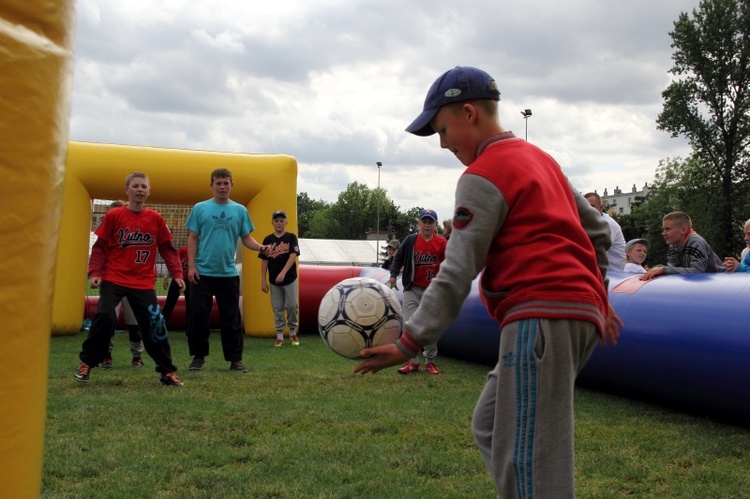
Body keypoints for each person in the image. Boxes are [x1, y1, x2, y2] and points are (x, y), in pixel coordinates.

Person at [353, 66, 622, 497]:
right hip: (569, 316)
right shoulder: (541, 159)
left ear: (468, 112)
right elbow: (599, 233)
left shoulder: (483, 174)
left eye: (442, 130)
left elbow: (457, 270)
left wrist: (410, 341)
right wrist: (598, 298)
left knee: (532, 457)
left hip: (541, 318)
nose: (443, 144)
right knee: (491, 426)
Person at [74, 172, 186, 387]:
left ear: (149, 191)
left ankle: (167, 371)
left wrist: (178, 274)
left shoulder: (155, 219)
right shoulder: (115, 216)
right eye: (135, 186)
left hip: (143, 282)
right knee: (105, 316)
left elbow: (168, 250)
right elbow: (99, 248)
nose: (140, 190)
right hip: (114, 278)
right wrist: (95, 272)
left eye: (144, 186)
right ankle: (87, 363)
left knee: (155, 325)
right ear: (127, 190)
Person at [185, 168, 269, 372]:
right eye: (218, 183)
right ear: (212, 185)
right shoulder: (200, 208)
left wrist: (260, 247)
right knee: (198, 317)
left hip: (228, 275)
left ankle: (235, 360)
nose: (222, 187)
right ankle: (198, 357)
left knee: (231, 318)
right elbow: (193, 238)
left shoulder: (240, 211)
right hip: (202, 274)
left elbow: (246, 237)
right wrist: (191, 267)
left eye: (226, 183)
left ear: (232, 185)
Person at [388, 209, 447, 375]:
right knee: (408, 324)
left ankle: (430, 361)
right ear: (419, 223)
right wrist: (393, 276)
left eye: (430, 222)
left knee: (430, 327)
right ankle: (413, 361)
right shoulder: (411, 240)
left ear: (436, 224)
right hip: (412, 288)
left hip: (433, 291)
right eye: (424, 221)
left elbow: (449, 265)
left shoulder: (442, 243)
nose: (427, 225)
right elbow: (398, 258)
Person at [99, 201, 145, 369]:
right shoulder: (105, 236)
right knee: (108, 318)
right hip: (112, 282)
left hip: (133, 283)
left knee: (134, 321)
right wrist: (96, 273)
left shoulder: (133, 233)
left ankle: (137, 355)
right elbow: (98, 253)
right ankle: (106, 354)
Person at [259, 210, 301, 347]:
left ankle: (293, 332)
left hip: (289, 277)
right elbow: (264, 261)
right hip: (273, 279)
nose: (279, 223)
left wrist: (283, 273)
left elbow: (293, 255)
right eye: (276, 220)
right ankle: (279, 335)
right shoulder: (268, 240)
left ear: (286, 222)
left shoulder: (291, 237)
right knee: (277, 307)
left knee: (291, 305)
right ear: (272, 222)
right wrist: (263, 280)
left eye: (281, 220)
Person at [641, 211, 723, 280]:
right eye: (663, 229)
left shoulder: (696, 242)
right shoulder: (673, 245)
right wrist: (655, 270)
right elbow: (672, 268)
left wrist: (663, 270)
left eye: (668, 229)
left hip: (720, 280)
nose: (663, 233)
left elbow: (698, 271)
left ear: (683, 230)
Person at [585, 192, 626, 271]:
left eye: (592, 206)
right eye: (586, 206)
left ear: (601, 208)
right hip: (607, 273)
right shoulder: (590, 223)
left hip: (617, 275)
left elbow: (597, 253)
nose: (588, 209)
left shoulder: (608, 224)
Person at [161, 245, 190, 329]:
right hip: (178, 280)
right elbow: (174, 262)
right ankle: (162, 326)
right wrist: (166, 277)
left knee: (190, 306)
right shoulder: (183, 250)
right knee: (169, 303)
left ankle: (190, 329)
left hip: (190, 281)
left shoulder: (201, 251)